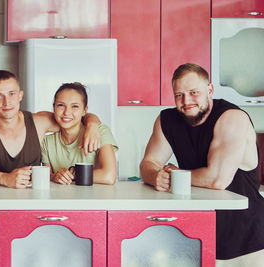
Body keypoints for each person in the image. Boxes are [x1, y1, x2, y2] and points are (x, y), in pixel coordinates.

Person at [140, 63, 264, 266]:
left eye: (194, 92)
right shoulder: (167, 120)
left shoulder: (232, 118)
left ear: (210, 90)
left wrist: (174, 175)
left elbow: (217, 179)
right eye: (179, 94)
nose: (186, 101)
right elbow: (148, 163)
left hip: (248, 240)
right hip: (197, 236)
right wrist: (155, 176)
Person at [0, 70, 101, 189]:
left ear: (20, 95)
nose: (7, 102)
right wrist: (5, 178)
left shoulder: (39, 121)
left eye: (12, 94)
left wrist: (93, 125)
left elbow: (73, 117)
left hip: (33, 200)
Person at [42, 82, 118, 185]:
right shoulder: (46, 141)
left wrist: (73, 175)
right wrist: (55, 176)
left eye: (75, 106)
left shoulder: (100, 132)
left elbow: (109, 176)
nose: (67, 112)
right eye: (60, 105)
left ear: (84, 111)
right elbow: (47, 176)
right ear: (54, 108)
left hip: (96, 198)